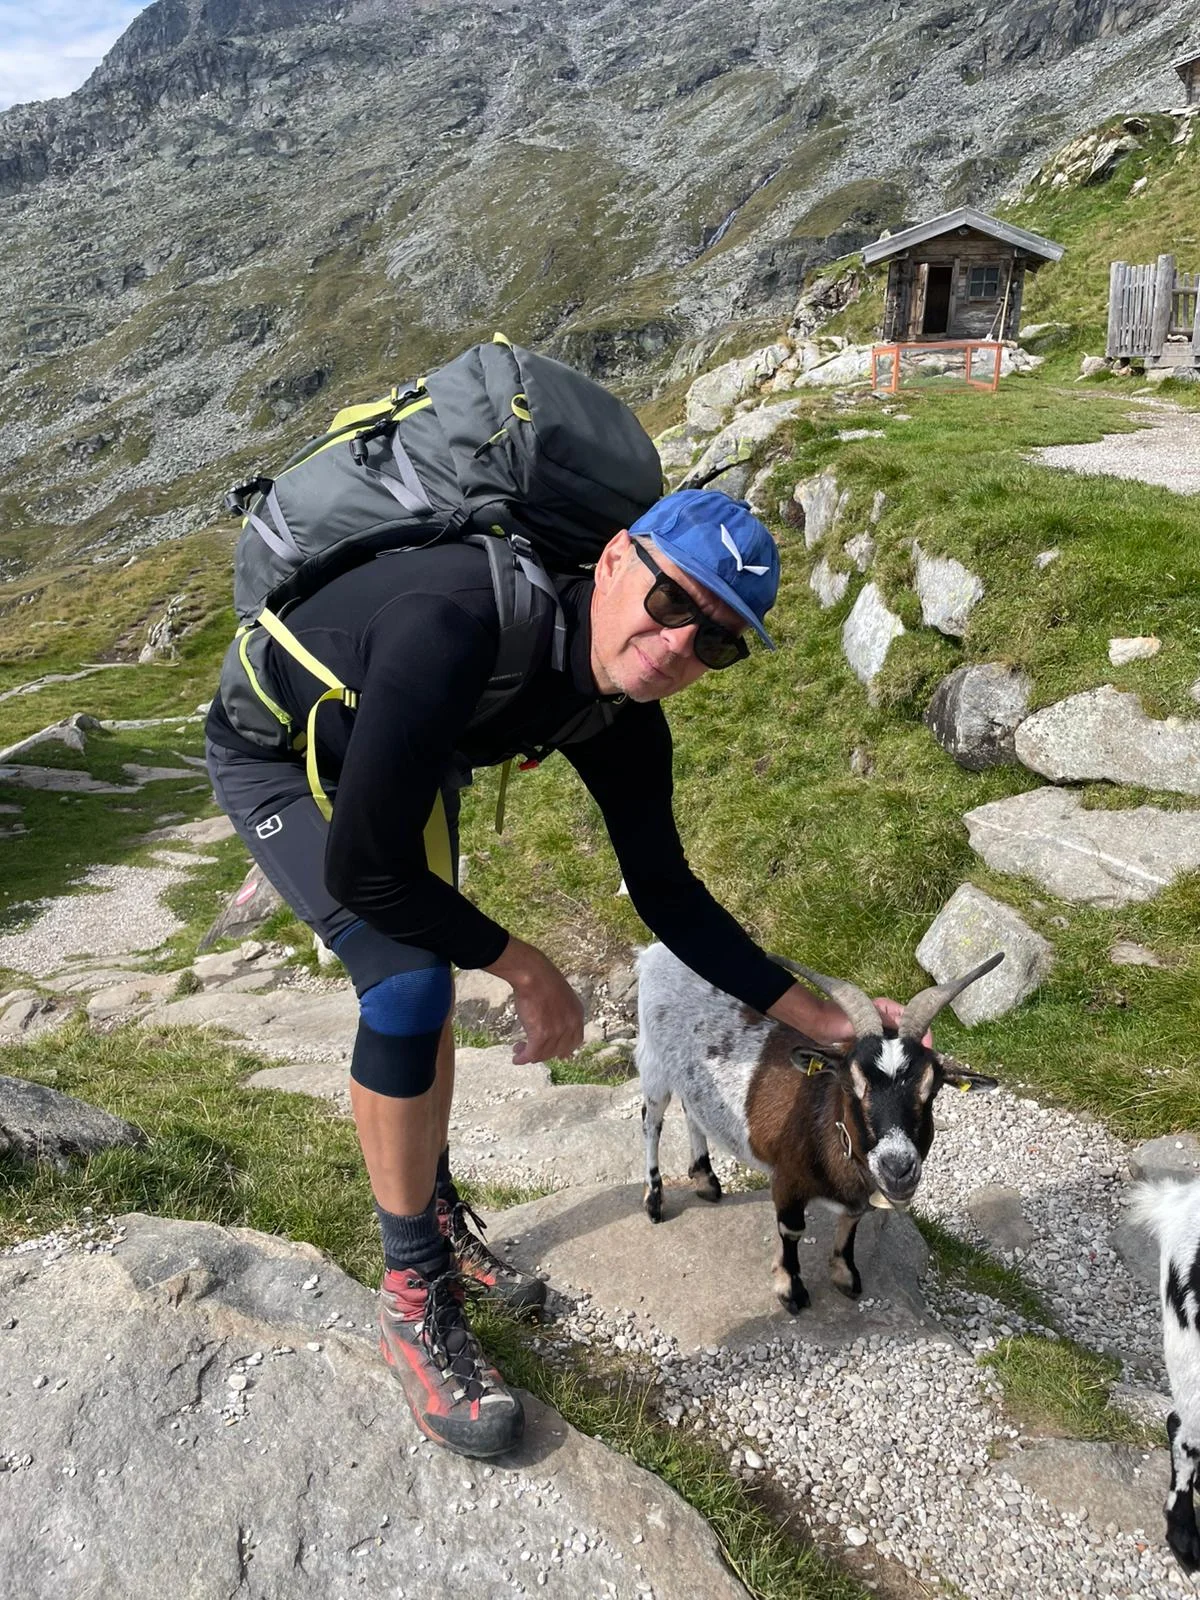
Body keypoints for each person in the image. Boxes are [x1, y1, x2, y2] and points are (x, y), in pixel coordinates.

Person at [205, 487, 868, 1459]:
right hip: (278, 745)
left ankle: (429, 1215)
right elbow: (361, 871)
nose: (680, 645)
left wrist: (830, 1024)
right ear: (611, 560)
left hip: (404, 745)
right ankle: (409, 1294)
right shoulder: (457, 621)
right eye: (673, 601)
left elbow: (670, 898)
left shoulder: (620, 712)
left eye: (717, 642)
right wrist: (523, 966)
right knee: (407, 982)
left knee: (422, 967)